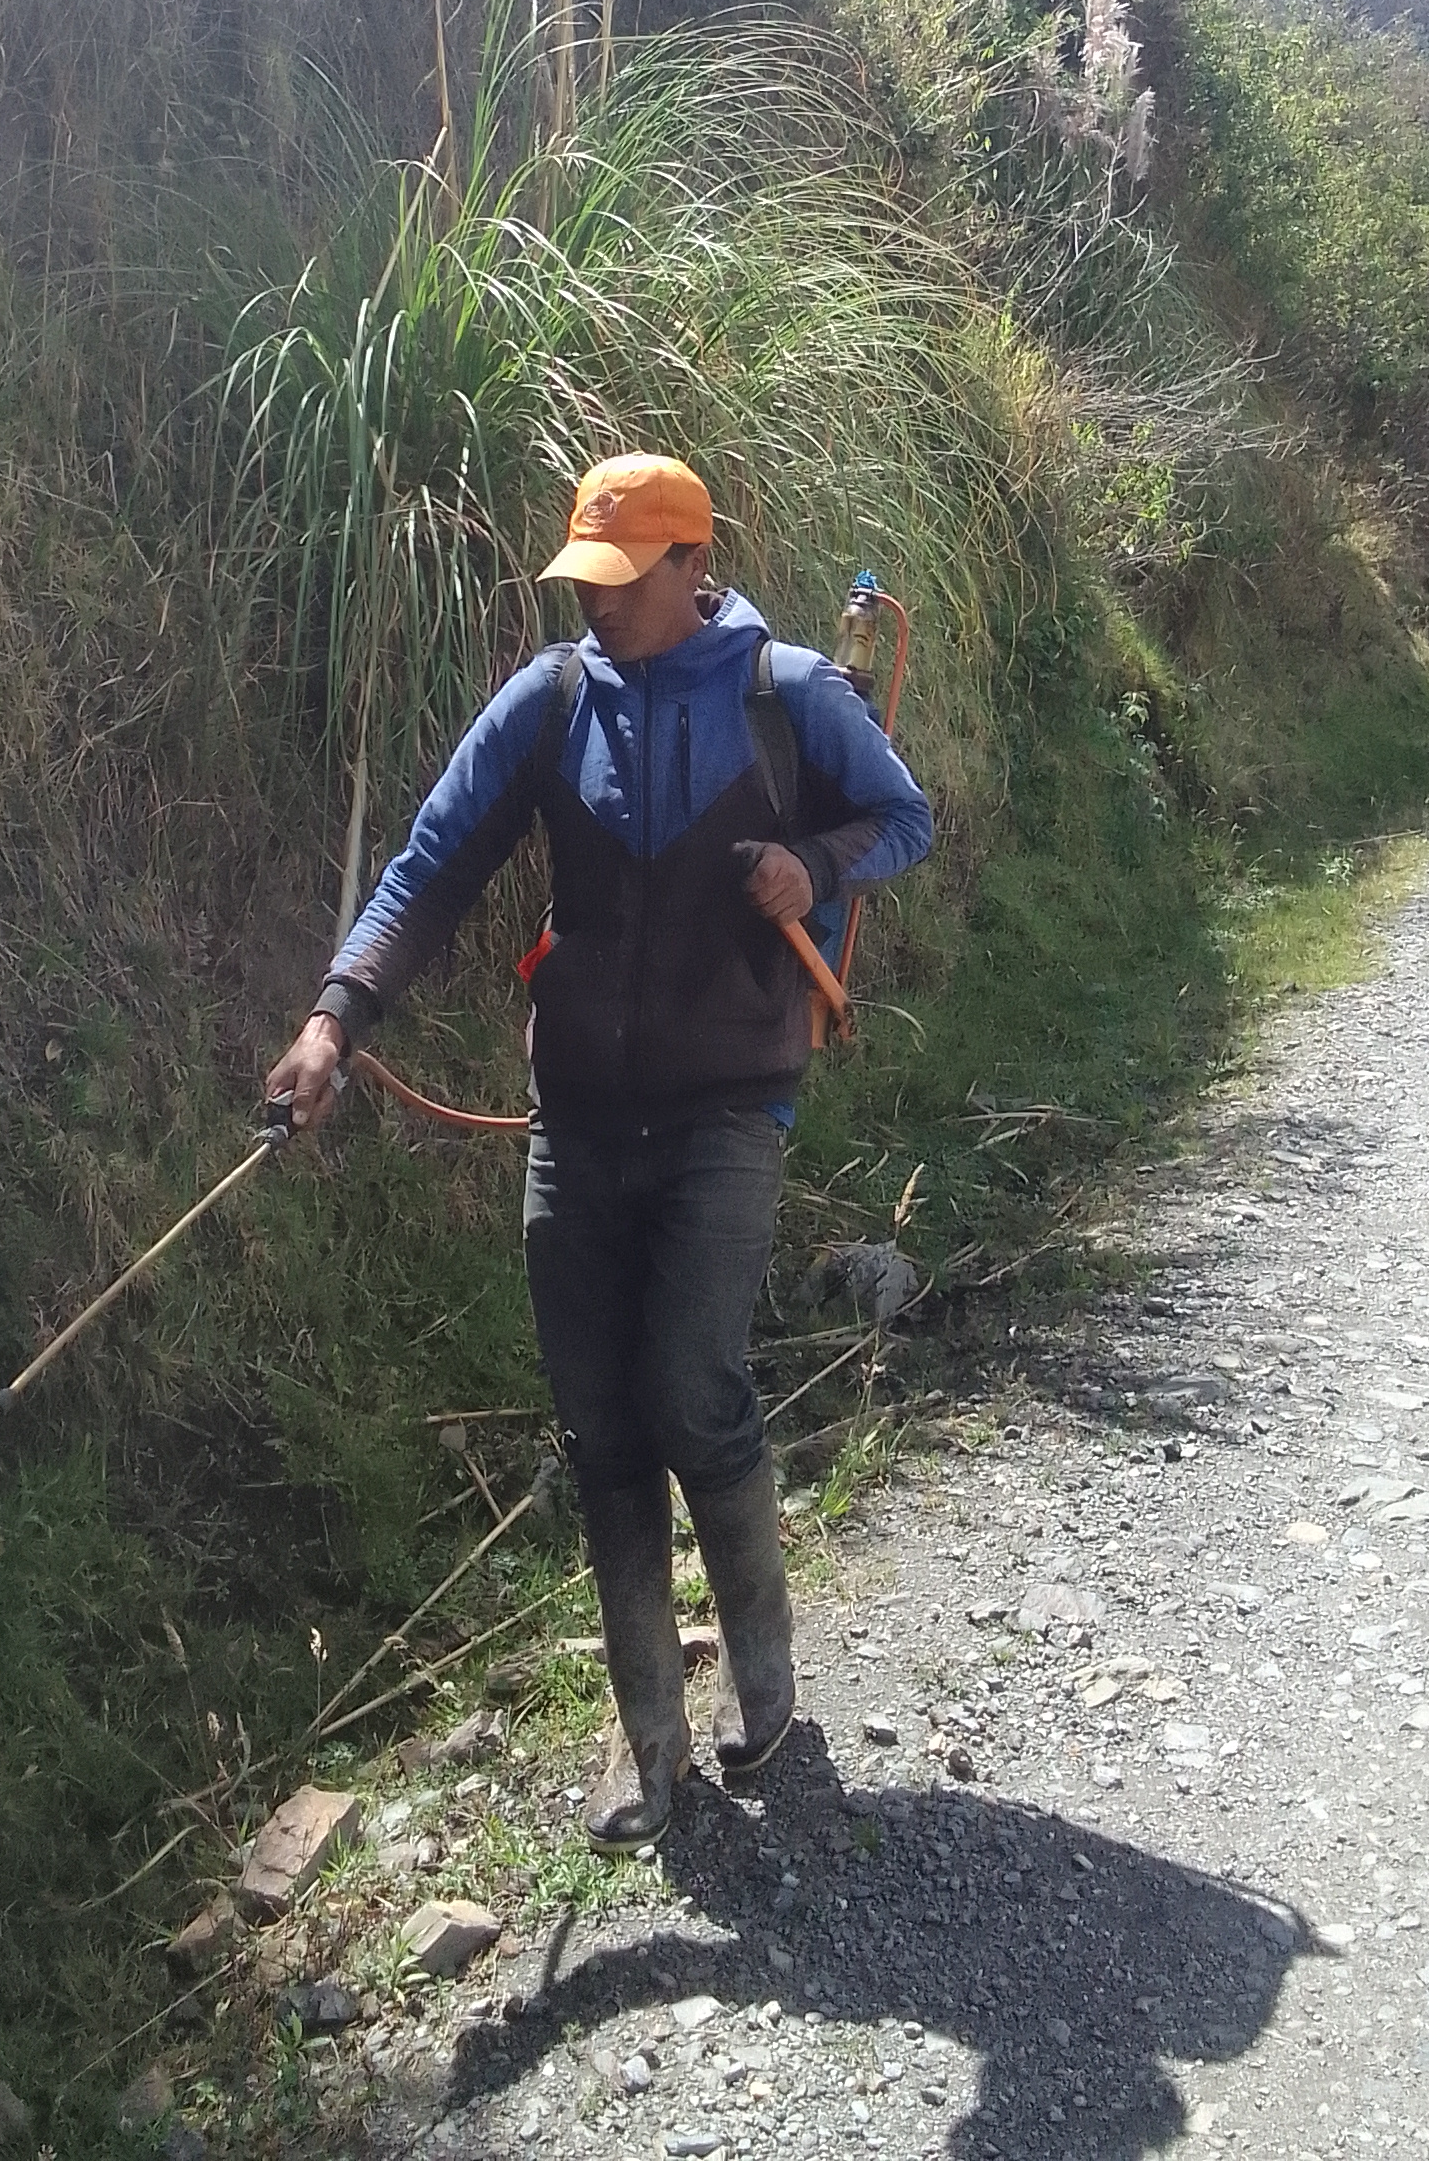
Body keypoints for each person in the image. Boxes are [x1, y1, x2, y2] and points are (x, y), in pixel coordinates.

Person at [264, 451, 933, 1847]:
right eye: (589, 578)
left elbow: (905, 817)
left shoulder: (790, 694)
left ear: (696, 566)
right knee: (602, 1431)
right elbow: (431, 865)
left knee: (692, 1388)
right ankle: (651, 1755)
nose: (602, 603)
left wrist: (815, 866)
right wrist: (335, 1019)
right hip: (575, 1121)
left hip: (728, 1108)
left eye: (629, 580)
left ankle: (766, 1697)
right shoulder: (552, 700)